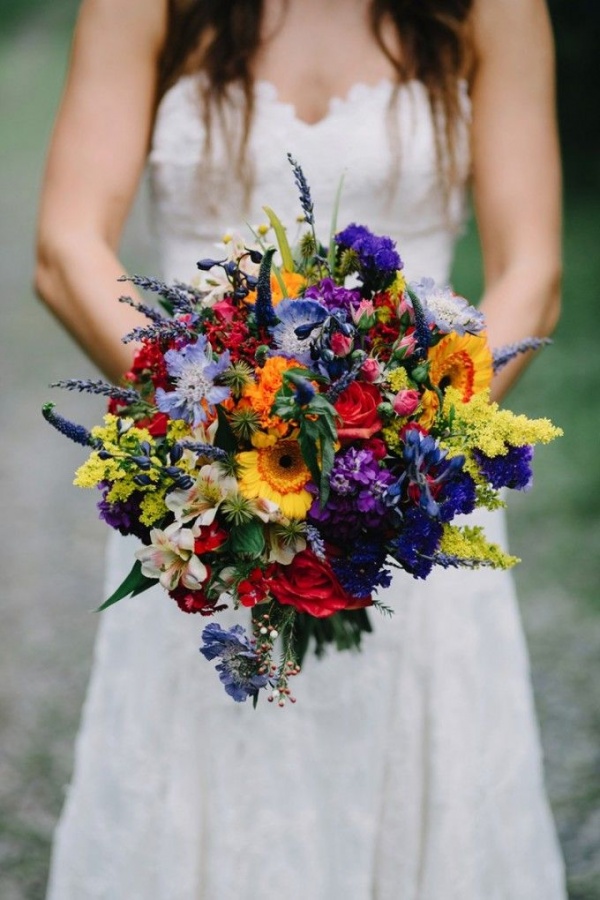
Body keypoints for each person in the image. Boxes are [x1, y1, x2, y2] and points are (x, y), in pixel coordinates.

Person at [36, 1, 566, 897]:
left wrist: (411, 443)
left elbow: (534, 273)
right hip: (203, 491)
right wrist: (211, 429)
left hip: (412, 497)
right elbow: (65, 245)